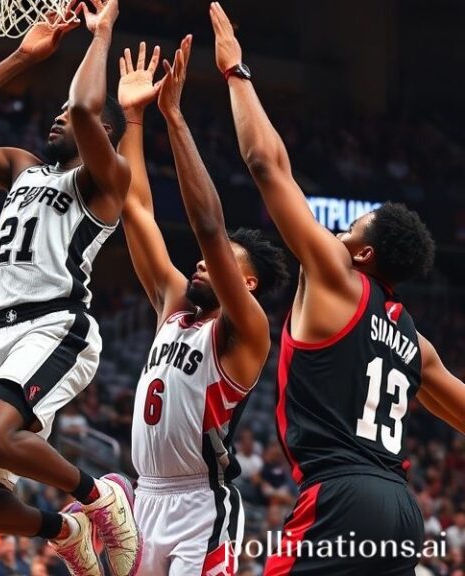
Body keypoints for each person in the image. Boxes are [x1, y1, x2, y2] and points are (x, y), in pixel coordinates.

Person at [211, 2, 465, 573]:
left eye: (348, 229)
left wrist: (235, 72)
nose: (334, 233)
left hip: (340, 497)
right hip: (403, 512)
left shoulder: (335, 274)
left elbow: (266, 164)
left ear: (364, 253)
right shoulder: (416, 344)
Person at [0, 2, 139, 574]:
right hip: (5, 329)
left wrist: (102, 34)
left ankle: (99, 498)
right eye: (58, 114)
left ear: (104, 137)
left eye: (71, 119)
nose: (59, 118)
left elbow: (88, 106)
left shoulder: (105, 181)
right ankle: (63, 529)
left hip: (57, 325)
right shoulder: (20, 167)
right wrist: (20, 56)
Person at [115, 38, 288, 575]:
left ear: (250, 284)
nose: (203, 264)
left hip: (200, 506)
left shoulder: (246, 330)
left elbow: (209, 226)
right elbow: (135, 207)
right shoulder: (173, 304)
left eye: (222, 263)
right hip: (145, 499)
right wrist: (135, 120)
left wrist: (174, 117)